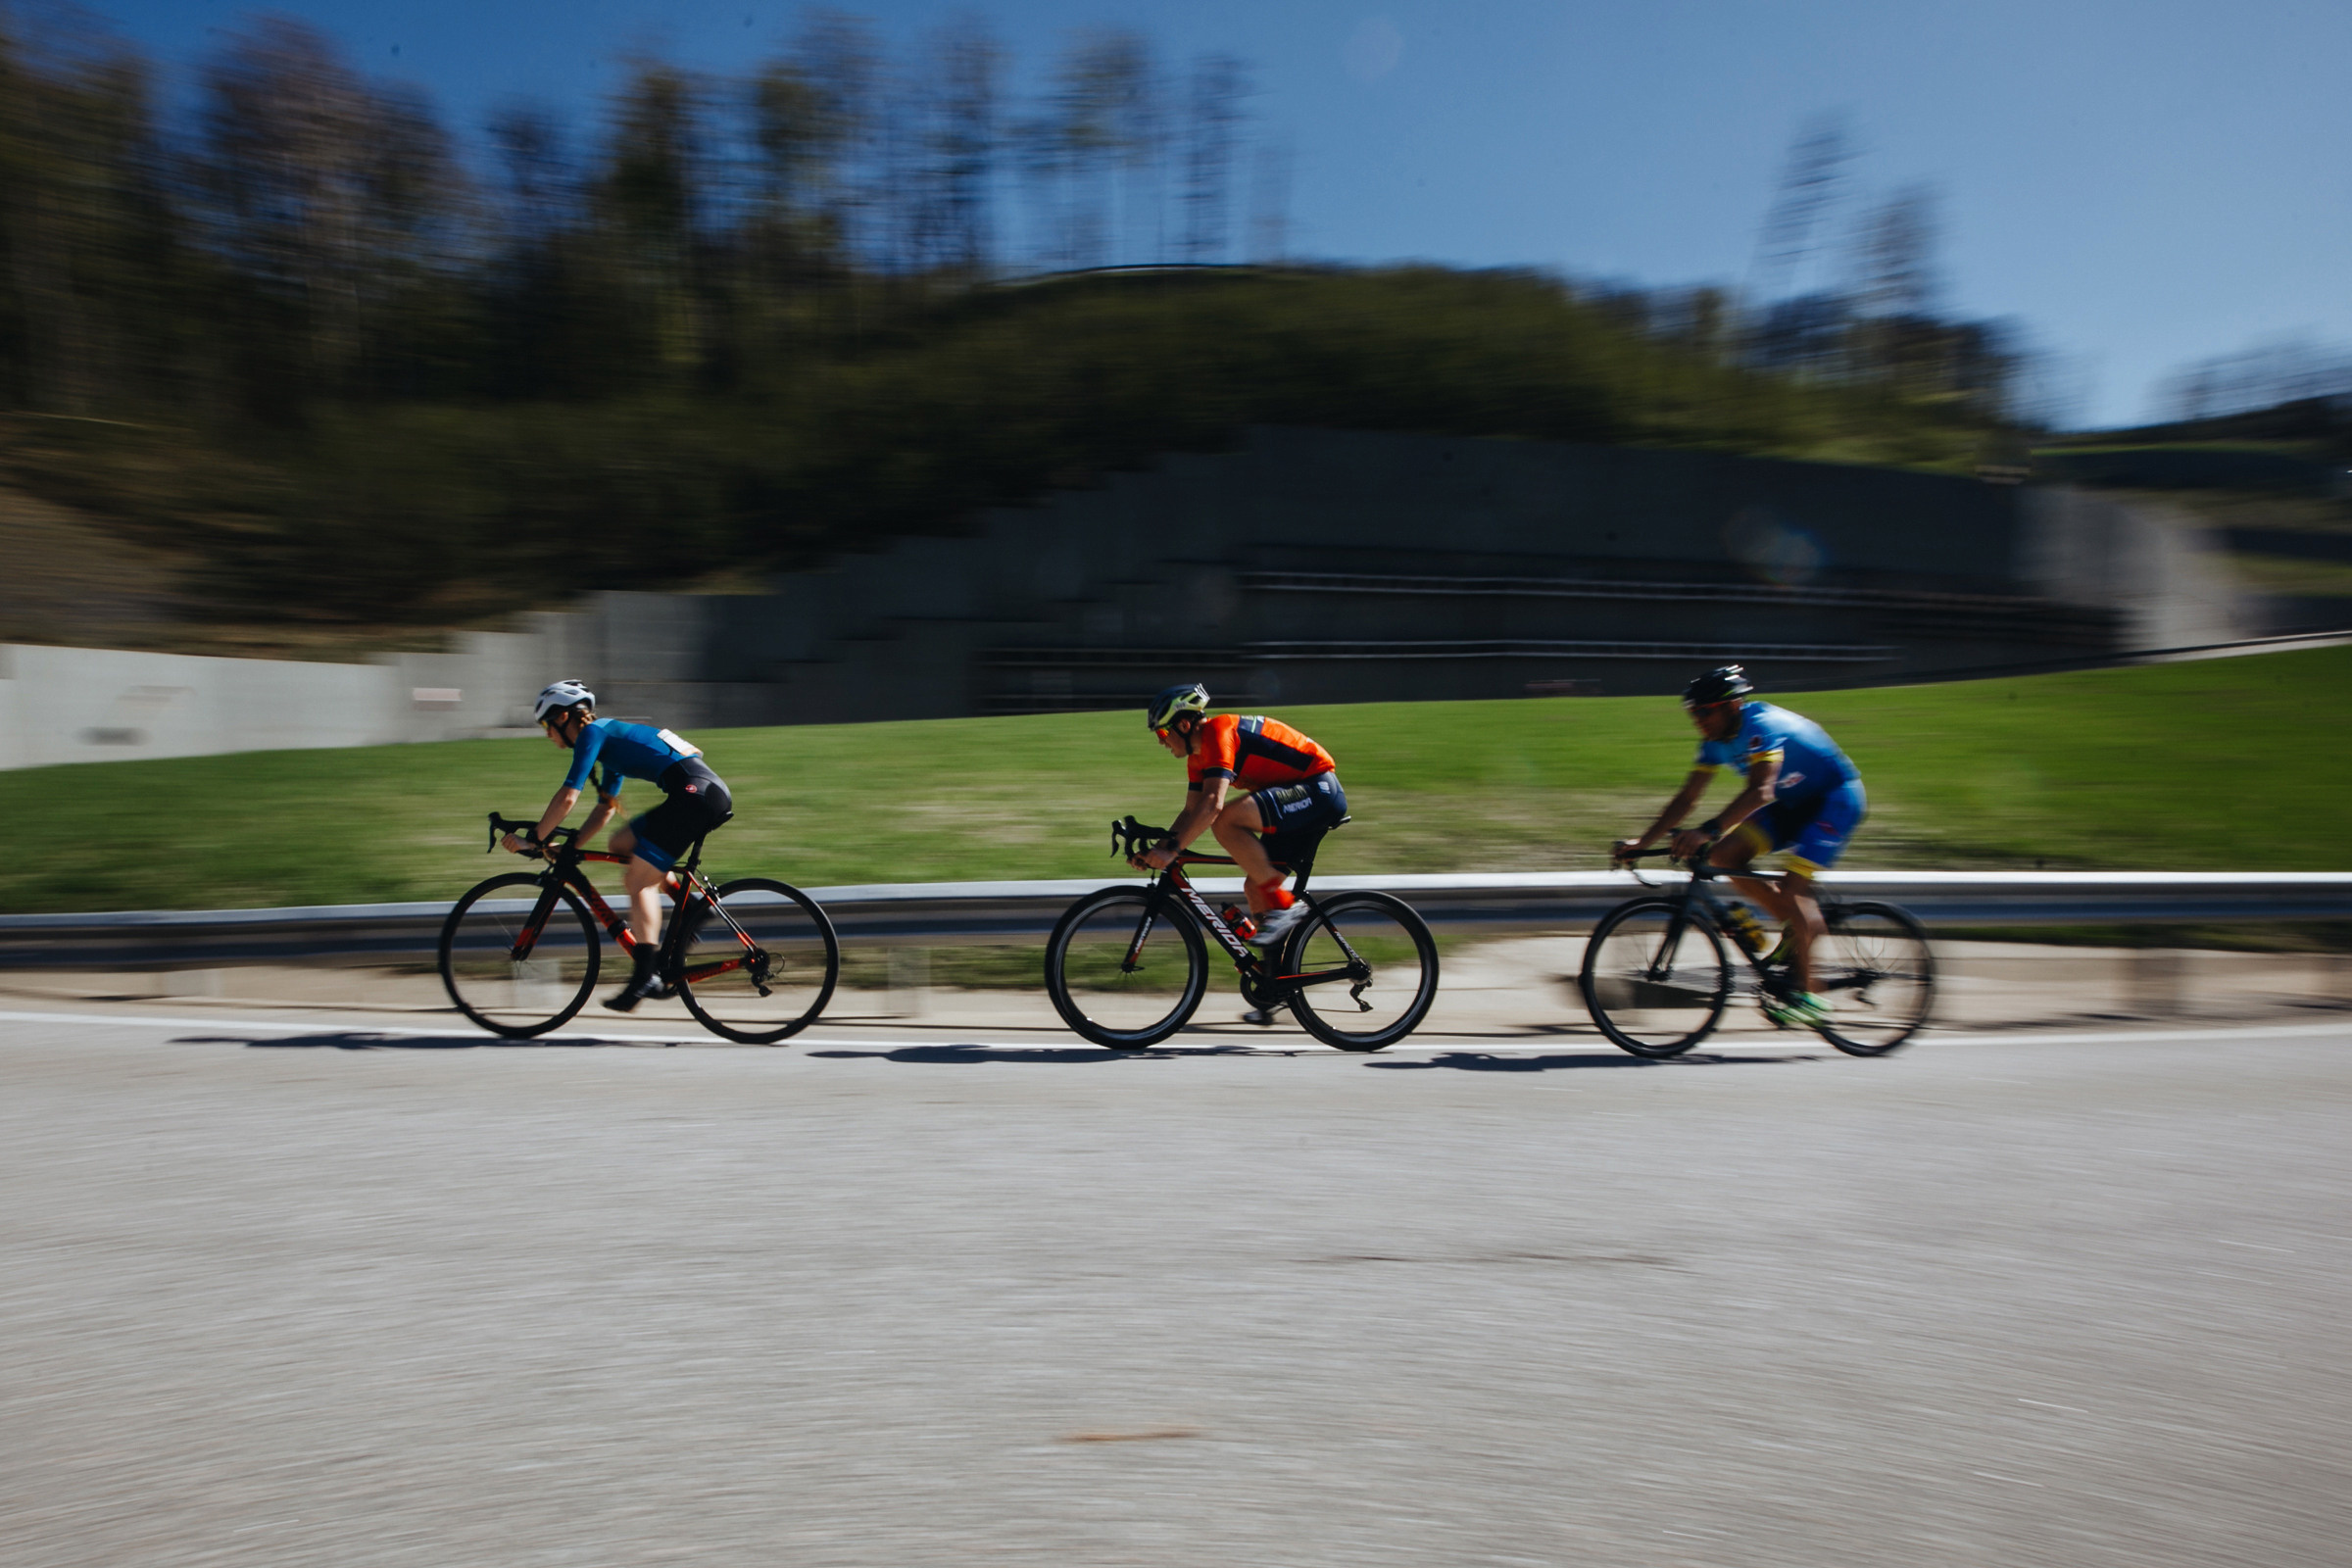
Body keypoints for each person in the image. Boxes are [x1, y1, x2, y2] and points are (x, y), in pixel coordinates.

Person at [1613, 664, 1866, 1029]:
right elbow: (1688, 797)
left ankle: (1812, 995)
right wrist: (1643, 843)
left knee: (1795, 889)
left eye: (1704, 712)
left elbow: (1761, 791)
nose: (1698, 720)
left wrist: (1709, 829)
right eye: (1692, 714)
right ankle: (1799, 929)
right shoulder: (1713, 743)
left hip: (1833, 799)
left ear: (1731, 705)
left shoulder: (1761, 726)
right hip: (1791, 803)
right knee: (1722, 856)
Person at [503, 680, 734, 1012]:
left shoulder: (591, 734)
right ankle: (692, 909)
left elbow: (569, 794)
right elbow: (605, 809)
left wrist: (536, 840)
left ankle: (645, 976)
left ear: (564, 717)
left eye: (546, 725)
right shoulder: (608, 740)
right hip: (698, 791)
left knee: (636, 881)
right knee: (621, 843)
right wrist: (569, 848)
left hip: (695, 796)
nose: (546, 734)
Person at [1135, 682, 1348, 953]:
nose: (1160, 740)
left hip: (1319, 789)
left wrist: (1173, 850)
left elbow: (1212, 805)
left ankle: (1283, 903)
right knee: (1256, 887)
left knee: (1226, 820)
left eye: (1163, 731)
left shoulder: (1219, 732)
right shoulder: (1198, 758)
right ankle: (1276, 979)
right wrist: (1159, 849)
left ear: (1184, 725)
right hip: (1300, 794)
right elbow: (1191, 812)